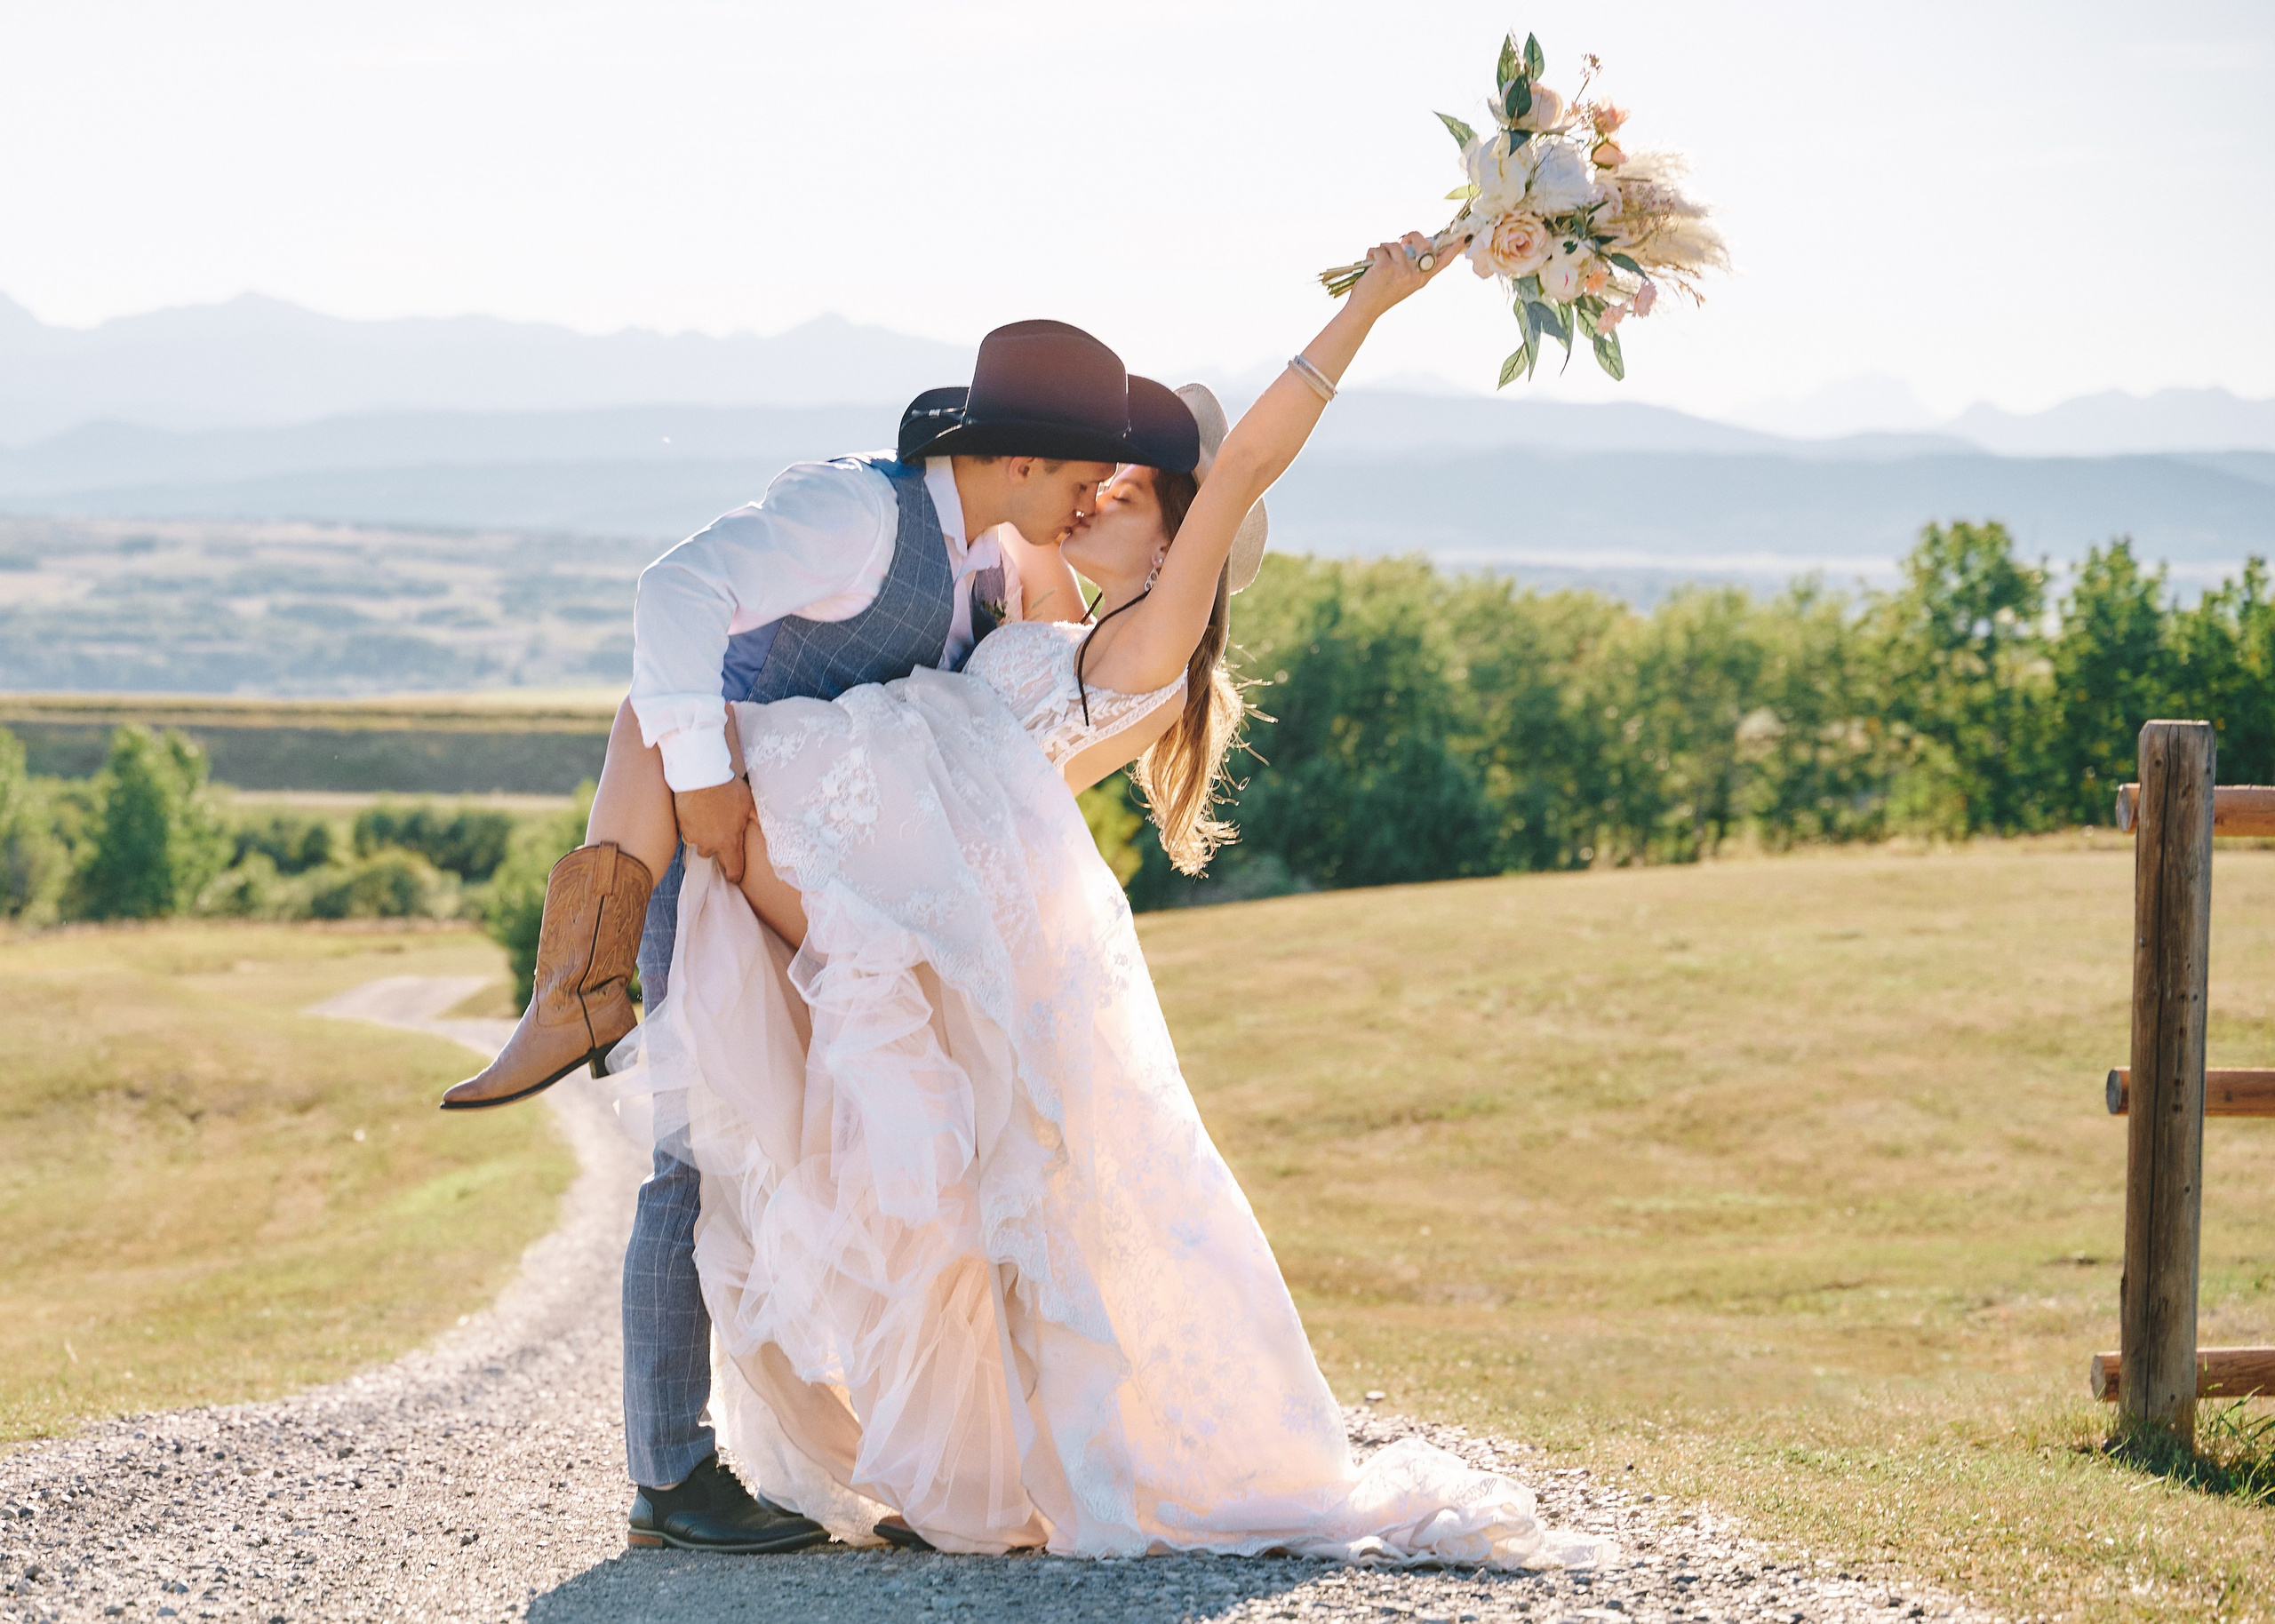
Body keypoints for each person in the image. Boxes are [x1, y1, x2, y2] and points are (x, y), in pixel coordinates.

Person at [619, 235, 1606, 1567]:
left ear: (1183, 537)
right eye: (1098, 478)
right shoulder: (1050, 615)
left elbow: (1240, 462)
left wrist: (1370, 305)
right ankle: (948, 1469)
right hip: (892, 887)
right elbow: (996, 521)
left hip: (889, 887)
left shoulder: (1146, 642)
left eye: (1129, 492)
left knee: (943, 1189)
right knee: (936, 1193)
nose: (1100, 497)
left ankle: (944, 1470)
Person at [438, 319, 1196, 1554]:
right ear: (1018, 463)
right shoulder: (856, 513)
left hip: (831, 894)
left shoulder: (990, 564)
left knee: (849, 1155)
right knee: (697, 1156)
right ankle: (670, 1475)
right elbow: (676, 593)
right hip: (719, 859)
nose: (1087, 498)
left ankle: (921, 1453)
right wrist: (704, 786)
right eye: (1077, 476)